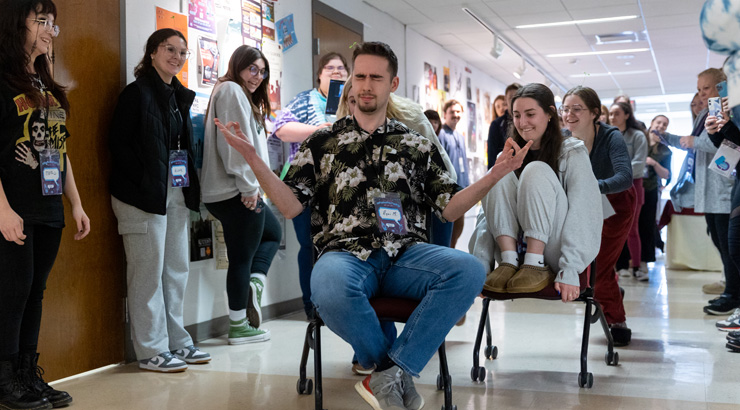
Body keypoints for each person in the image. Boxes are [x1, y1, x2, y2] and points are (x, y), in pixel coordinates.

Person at [214, 41, 530, 410]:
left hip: (405, 255)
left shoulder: (416, 144)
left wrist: (495, 174)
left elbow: (448, 209)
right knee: (327, 285)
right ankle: (392, 371)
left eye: (375, 77)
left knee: (469, 270)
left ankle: (385, 372)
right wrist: (253, 159)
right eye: (359, 76)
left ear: (392, 84)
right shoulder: (322, 142)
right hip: (345, 255)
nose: (366, 84)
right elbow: (290, 206)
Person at [0, 1, 90, 408]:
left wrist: (76, 204)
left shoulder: (46, 87)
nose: (51, 31)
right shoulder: (2, 82)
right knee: (12, 293)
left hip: (48, 207)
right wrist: (2, 209)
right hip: (13, 208)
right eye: (42, 22)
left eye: (53, 24)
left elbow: (59, 151)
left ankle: (27, 375)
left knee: (35, 293)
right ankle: (5, 380)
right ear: (16, 24)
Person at [108, 28, 210, 373]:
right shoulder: (135, 94)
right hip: (140, 197)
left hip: (175, 194)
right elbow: (118, 145)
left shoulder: (177, 95)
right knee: (147, 275)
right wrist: (144, 180)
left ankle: (177, 341)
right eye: (170, 49)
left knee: (176, 270)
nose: (177, 57)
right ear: (152, 51)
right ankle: (151, 349)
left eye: (183, 52)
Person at [469, 83, 602, 300]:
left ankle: (534, 262)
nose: (522, 123)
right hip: (511, 249)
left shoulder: (572, 152)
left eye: (530, 114)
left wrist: (570, 268)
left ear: (550, 114)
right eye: (517, 115)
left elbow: (584, 211)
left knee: (536, 169)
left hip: (552, 251)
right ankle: (509, 261)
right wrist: (480, 266)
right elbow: (487, 215)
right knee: (497, 171)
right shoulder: (510, 153)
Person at [201, 45, 280, 345]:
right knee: (241, 258)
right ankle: (239, 325)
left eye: (262, 71)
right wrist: (249, 188)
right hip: (234, 190)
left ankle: (253, 287)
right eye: (252, 69)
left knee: (269, 234)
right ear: (238, 66)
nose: (257, 76)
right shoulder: (231, 91)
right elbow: (232, 145)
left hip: (232, 190)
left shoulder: (233, 93)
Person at [273, 52, 349, 319]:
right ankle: (312, 307)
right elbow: (281, 130)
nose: (336, 72)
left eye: (341, 68)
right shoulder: (305, 100)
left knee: (338, 247)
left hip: (343, 187)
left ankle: (335, 304)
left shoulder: (353, 103)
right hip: (305, 184)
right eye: (330, 68)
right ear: (319, 73)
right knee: (309, 246)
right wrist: (318, 130)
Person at [561, 86, 634, 346]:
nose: (569, 114)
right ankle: (607, 293)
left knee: (599, 265)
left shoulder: (611, 137)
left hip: (615, 204)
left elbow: (625, 177)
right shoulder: (561, 137)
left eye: (576, 108)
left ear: (594, 113)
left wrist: (591, 187)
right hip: (581, 204)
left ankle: (616, 319)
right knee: (587, 263)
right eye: (565, 108)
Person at [663, 68, 735, 315]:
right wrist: (669, 138)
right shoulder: (705, 113)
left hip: (724, 189)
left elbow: (724, 142)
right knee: (720, 241)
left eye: (706, 88)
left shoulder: (726, 109)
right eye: (699, 89)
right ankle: (730, 291)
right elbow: (701, 141)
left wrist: (694, 141)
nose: (702, 94)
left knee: (729, 244)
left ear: (721, 87)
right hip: (709, 189)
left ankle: (732, 294)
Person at [610, 102, 648, 281]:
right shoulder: (608, 136)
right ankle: (616, 267)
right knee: (612, 229)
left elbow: (640, 163)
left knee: (632, 230)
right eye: (610, 114)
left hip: (633, 185)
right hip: (613, 188)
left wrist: (618, 173)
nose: (612, 117)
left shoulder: (638, 136)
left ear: (626, 115)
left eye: (616, 113)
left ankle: (637, 267)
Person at [638, 115, 672, 276]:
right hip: (632, 188)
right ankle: (628, 262)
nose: (660, 126)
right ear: (651, 123)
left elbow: (667, 175)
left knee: (646, 226)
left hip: (650, 191)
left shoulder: (665, 150)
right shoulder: (639, 140)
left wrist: (654, 163)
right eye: (658, 122)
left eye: (664, 125)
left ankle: (644, 263)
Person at [438, 99, 470, 249]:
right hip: (448, 191)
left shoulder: (460, 137)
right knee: (448, 229)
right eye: (452, 112)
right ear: (445, 114)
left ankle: (453, 250)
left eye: (458, 112)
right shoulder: (442, 135)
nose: (455, 115)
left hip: (462, 188)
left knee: (459, 226)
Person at [487, 83, 522, 168]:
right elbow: (492, 155)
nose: (514, 100)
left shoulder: (527, 122)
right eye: (511, 97)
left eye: (518, 96)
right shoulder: (496, 125)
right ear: (506, 100)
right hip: (504, 173)